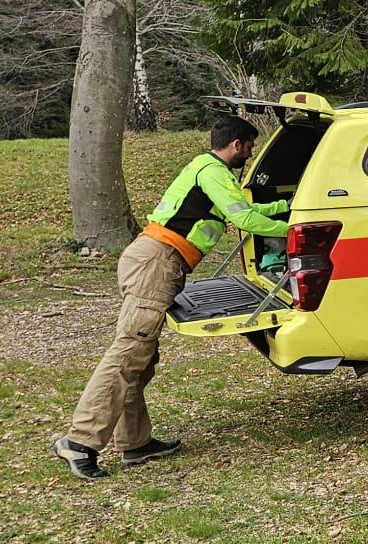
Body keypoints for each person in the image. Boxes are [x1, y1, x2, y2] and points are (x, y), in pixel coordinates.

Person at [50, 116, 292, 480]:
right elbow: (244, 220)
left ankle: (134, 443)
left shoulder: (212, 171)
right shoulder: (211, 171)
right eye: (250, 146)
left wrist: (288, 205)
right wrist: (296, 228)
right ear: (238, 144)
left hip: (158, 261)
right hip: (157, 263)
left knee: (140, 358)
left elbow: (250, 210)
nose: (252, 153)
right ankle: (80, 442)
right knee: (129, 352)